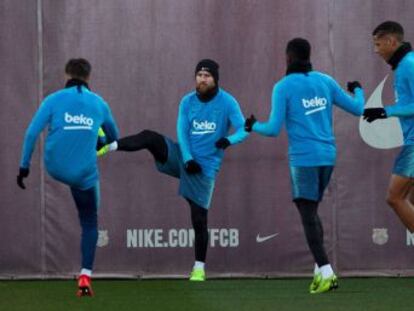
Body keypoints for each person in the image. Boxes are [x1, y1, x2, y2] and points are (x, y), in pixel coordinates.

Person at [98, 59, 248, 281]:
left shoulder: (228, 102)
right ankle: (107, 146)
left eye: (207, 76)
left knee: (199, 220)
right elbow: (182, 131)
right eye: (199, 75)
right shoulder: (187, 101)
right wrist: (186, 158)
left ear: (215, 79)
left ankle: (199, 268)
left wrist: (229, 140)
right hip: (182, 157)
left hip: (204, 168)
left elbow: (244, 128)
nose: (202, 79)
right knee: (150, 137)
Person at [244, 38, 365, 294]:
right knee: (312, 211)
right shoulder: (326, 81)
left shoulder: (283, 87)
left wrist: (252, 125)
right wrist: (359, 89)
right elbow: (358, 108)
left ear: (287, 58)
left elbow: (273, 129)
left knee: (308, 215)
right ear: (309, 55)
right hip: (327, 157)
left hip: (303, 159)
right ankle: (318, 271)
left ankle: (328, 272)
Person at [17, 58, 119, 297]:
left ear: (67, 73)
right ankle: (85, 276)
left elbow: (32, 132)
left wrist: (24, 166)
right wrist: (99, 137)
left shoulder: (52, 100)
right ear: (89, 76)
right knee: (90, 221)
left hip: (55, 167)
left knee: (79, 161)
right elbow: (115, 136)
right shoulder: (99, 103)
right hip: (83, 173)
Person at [363, 21, 414, 232]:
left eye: (378, 44)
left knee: (395, 198)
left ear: (391, 41)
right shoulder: (405, 64)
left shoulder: (408, 65)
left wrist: (386, 111)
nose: (376, 51)